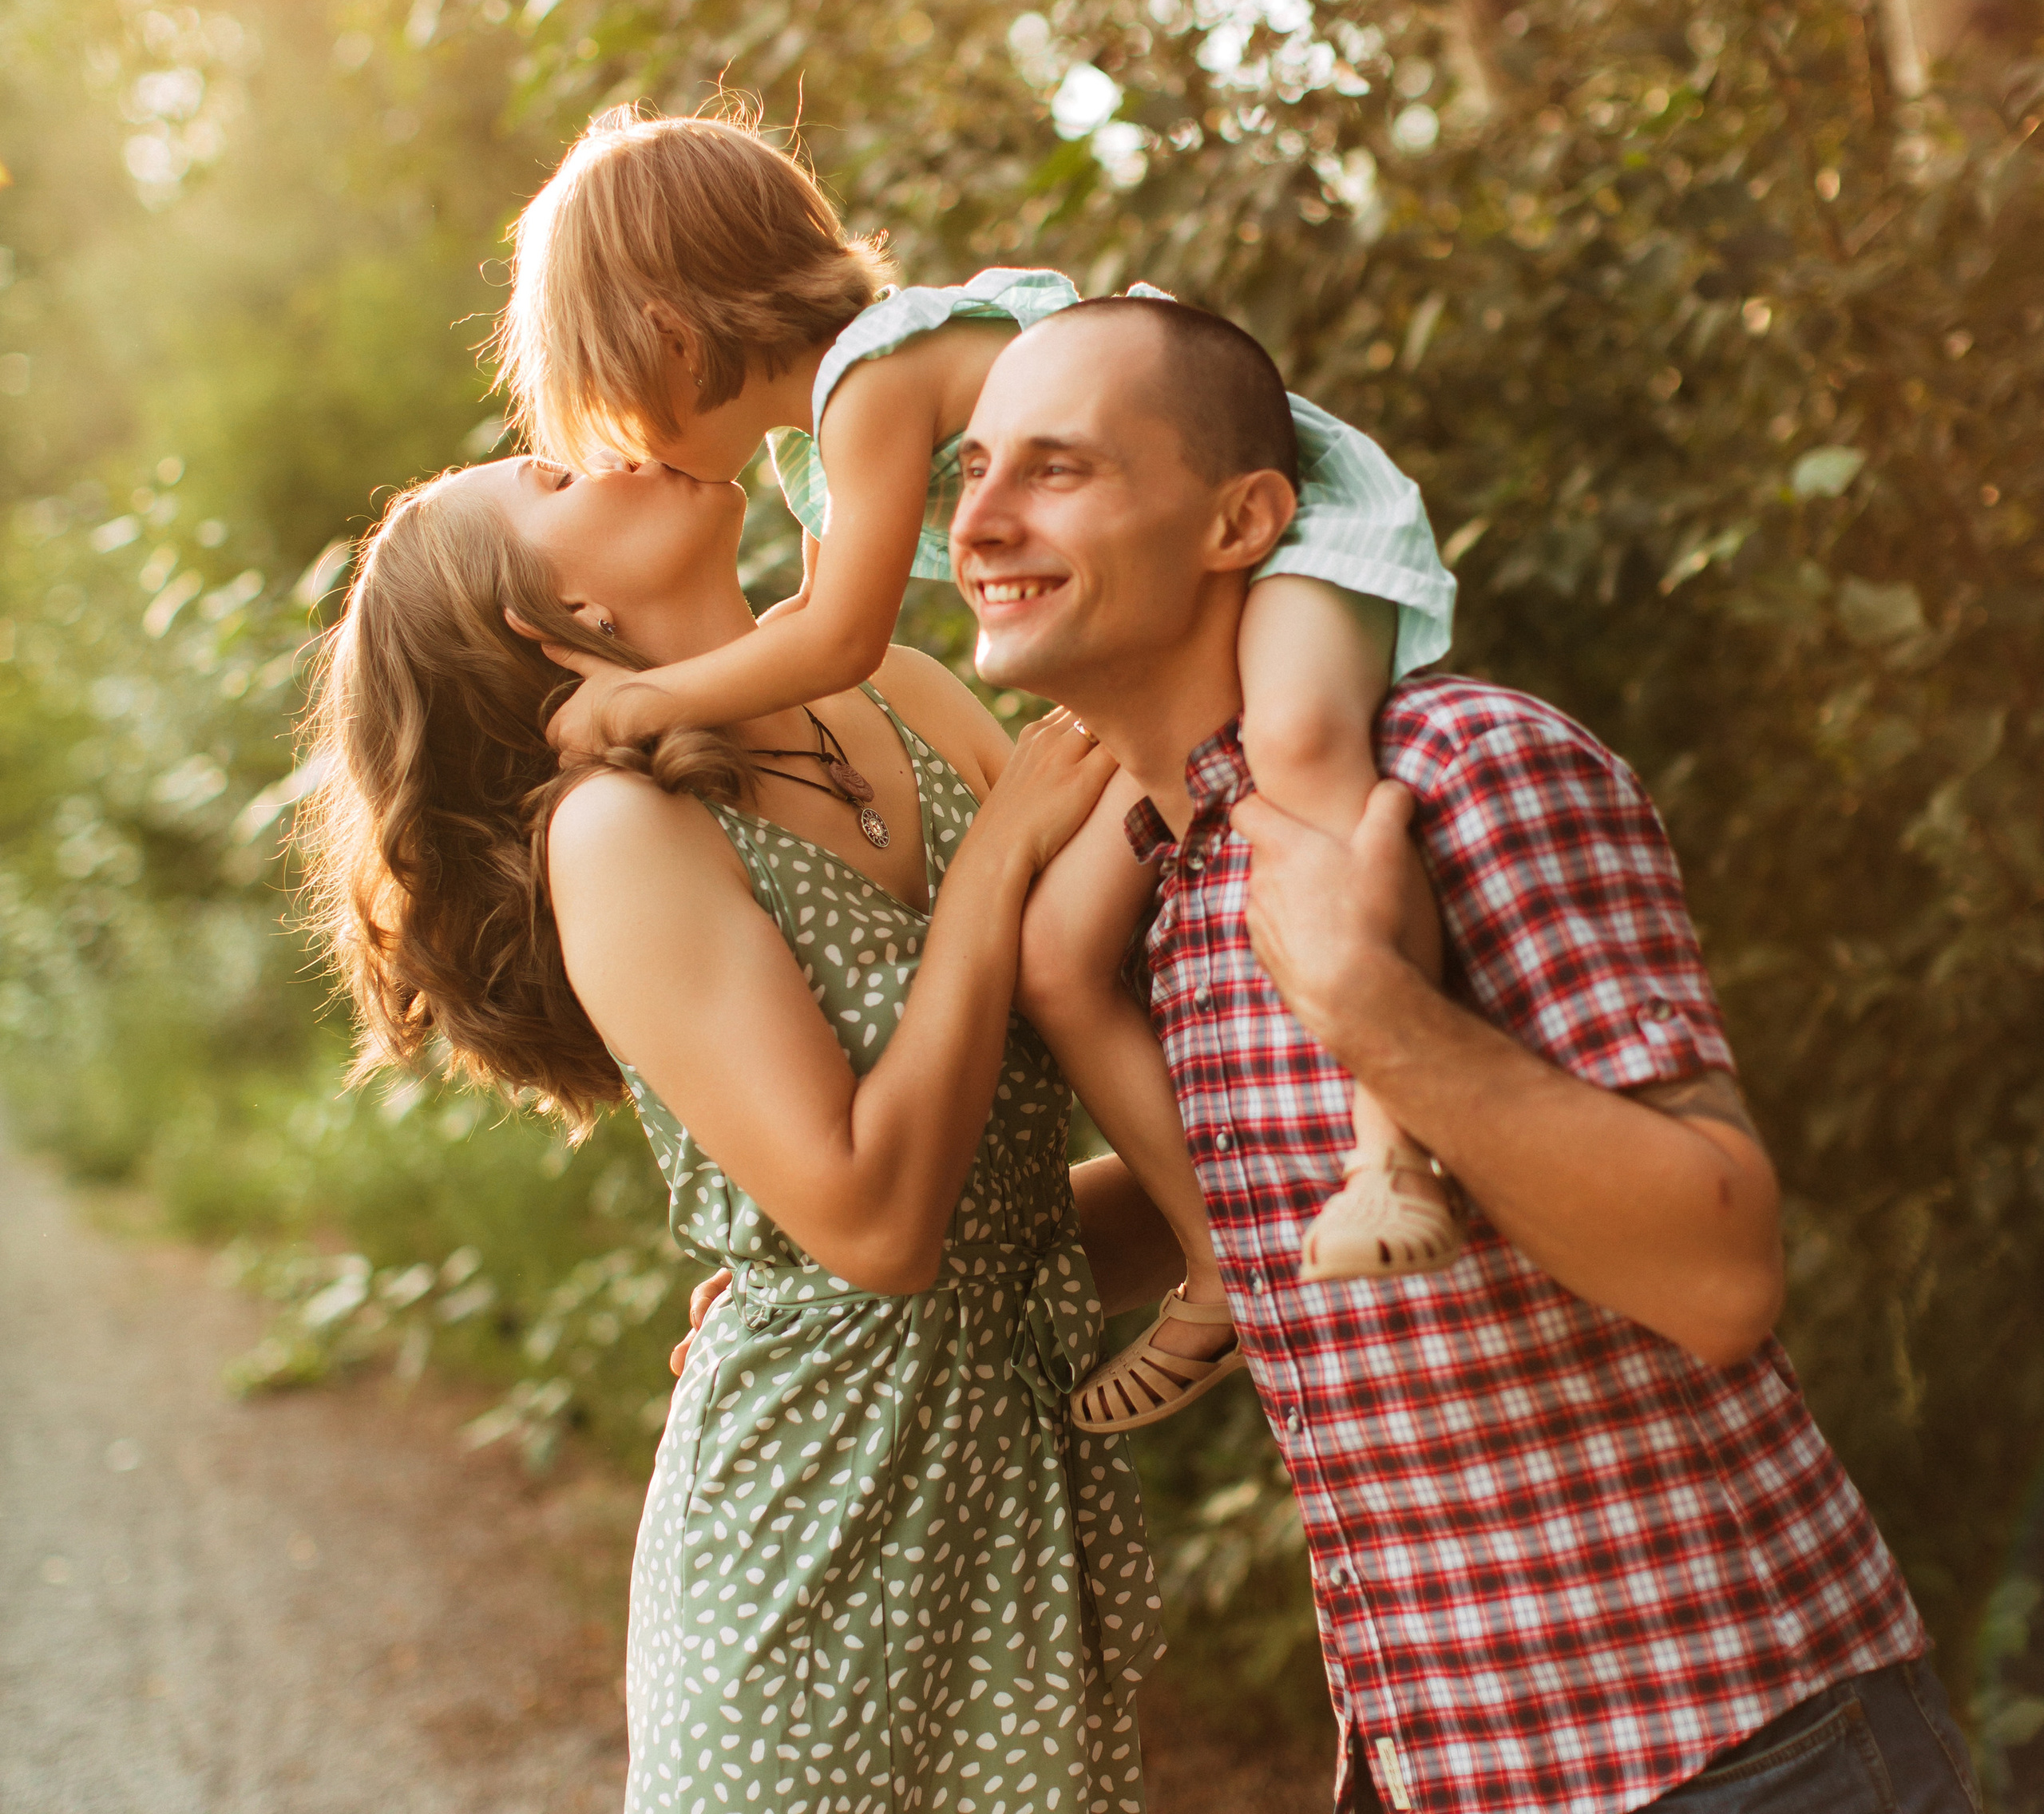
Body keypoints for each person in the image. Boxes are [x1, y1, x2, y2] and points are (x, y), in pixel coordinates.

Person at [949, 295, 1981, 1814]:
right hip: (1454, 1753)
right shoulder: (1174, 874)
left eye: (1056, 469)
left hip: (1737, 1749)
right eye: (970, 471)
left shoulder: (1463, 772)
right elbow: (1246, 1193)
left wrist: (1372, 1010)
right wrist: (862, 1282)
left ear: (1244, 519)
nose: (979, 518)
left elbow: (1719, 1270)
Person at [489, 104, 1469, 1433]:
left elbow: (841, 638)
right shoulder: (814, 449)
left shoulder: (873, 383)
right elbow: (824, 630)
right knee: (1064, 954)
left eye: (613, 411)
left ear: (669, 333)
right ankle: (1218, 1254)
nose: (633, 454)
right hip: (1193, 607)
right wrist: (794, 1274)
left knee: (1301, 764)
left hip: (1287, 534)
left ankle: (1397, 1139)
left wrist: (649, 699)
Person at [296, 446, 1190, 1814]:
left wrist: (1276, 1185)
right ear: (556, 619)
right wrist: (998, 861)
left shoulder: (899, 686)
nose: (616, 446)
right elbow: (883, 1230)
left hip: (1007, 1523)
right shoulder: (618, 830)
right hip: (805, 1561)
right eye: (551, 478)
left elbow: (1010, 1228)